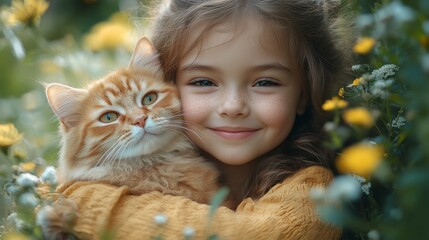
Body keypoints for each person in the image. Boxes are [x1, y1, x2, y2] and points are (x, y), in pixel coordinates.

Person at [56, 0, 354, 239]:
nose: (232, 107)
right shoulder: (134, 159)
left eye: (265, 82)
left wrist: (82, 205)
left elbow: (259, 235)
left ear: (304, 94)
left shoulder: (311, 189)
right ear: (170, 82)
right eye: (203, 82)